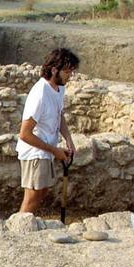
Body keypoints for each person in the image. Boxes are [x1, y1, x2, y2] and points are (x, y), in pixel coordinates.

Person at [17, 48, 79, 215]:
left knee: (41, 192)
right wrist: (55, 151)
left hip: (46, 151)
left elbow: (59, 114)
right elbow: (25, 134)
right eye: (67, 71)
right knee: (32, 196)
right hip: (35, 153)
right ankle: (18, 230)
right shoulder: (40, 94)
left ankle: (23, 226)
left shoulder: (59, 88)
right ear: (54, 70)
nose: (69, 76)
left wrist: (69, 140)